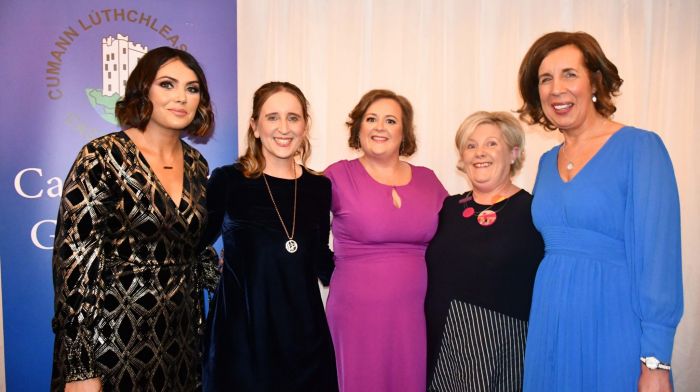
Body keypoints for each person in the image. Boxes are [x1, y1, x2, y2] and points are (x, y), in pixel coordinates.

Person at [517, 31, 683, 391]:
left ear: (595, 81)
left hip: (613, 324)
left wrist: (656, 361)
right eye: (545, 79)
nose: (556, 88)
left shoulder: (640, 148)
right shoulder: (546, 163)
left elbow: (659, 260)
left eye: (569, 74)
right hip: (550, 324)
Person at [51, 47, 215, 391]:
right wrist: (81, 366)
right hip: (113, 339)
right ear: (144, 90)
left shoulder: (198, 165)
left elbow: (194, 249)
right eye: (167, 84)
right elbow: (74, 264)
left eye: (192, 88)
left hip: (181, 340)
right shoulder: (101, 156)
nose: (181, 97)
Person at [200, 81, 338, 391]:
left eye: (293, 117)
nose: (284, 128)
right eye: (272, 117)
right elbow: (193, 246)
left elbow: (321, 263)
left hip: (304, 339)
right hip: (242, 337)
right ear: (255, 126)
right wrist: (224, 275)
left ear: (305, 126)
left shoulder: (319, 188)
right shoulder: (228, 180)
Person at [324, 89, 448, 392]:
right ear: (358, 128)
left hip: (413, 316)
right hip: (355, 315)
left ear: (404, 132)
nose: (380, 127)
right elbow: (300, 229)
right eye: (371, 119)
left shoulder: (428, 180)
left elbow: (453, 240)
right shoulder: (336, 176)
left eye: (390, 120)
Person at [424, 111, 544, 391]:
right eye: (470, 145)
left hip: (497, 344)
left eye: (491, 143)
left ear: (514, 153)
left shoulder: (533, 211)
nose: (480, 152)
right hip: (441, 340)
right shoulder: (449, 208)